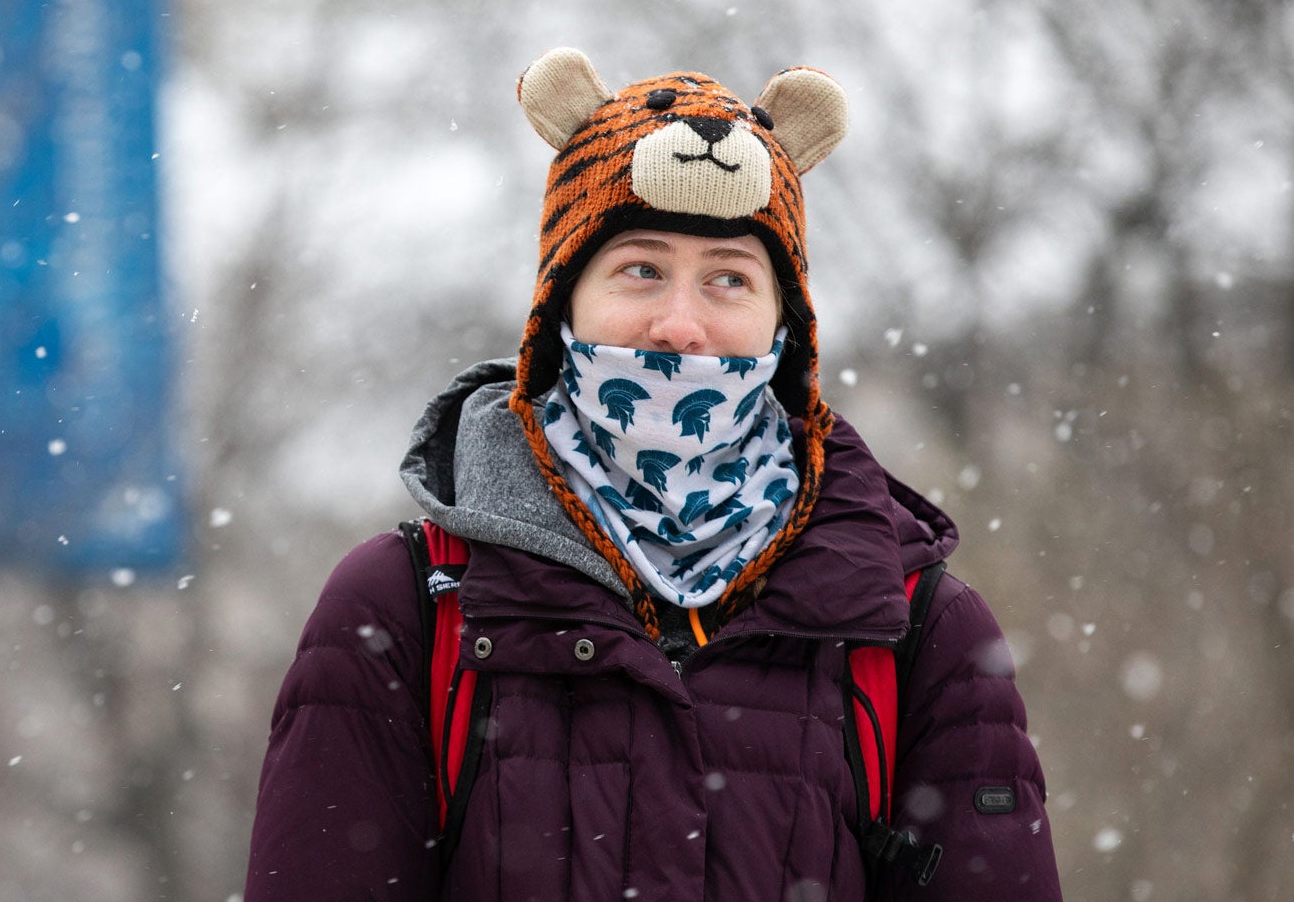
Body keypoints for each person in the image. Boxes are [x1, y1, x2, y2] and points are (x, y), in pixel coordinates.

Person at [244, 48, 1062, 901]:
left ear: (786, 330)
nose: (681, 325)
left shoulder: (914, 629)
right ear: (561, 306)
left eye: (730, 279)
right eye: (641, 268)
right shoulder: (409, 610)